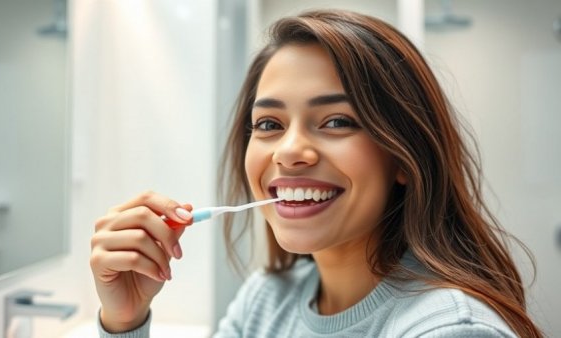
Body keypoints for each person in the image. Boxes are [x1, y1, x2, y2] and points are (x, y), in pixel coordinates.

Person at [89, 9, 542, 338]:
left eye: (337, 121)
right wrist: (125, 322)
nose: (289, 152)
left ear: (404, 158)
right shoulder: (267, 300)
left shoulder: (446, 330)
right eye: (269, 124)